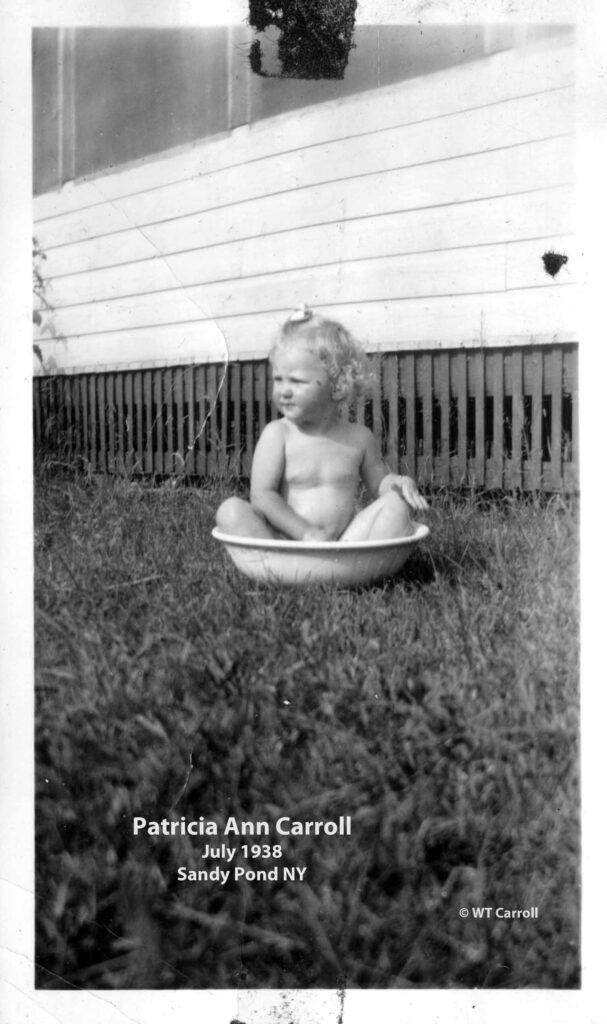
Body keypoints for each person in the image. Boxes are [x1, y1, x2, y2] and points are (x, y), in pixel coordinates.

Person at [216, 306, 428, 542]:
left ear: (337, 385)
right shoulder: (278, 434)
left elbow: (379, 483)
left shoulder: (358, 438)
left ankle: (351, 562)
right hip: (285, 541)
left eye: (296, 381)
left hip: (343, 541)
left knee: (398, 503)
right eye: (278, 379)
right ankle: (283, 563)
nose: (284, 390)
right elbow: (262, 496)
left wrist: (398, 483)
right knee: (230, 510)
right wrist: (305, 533)